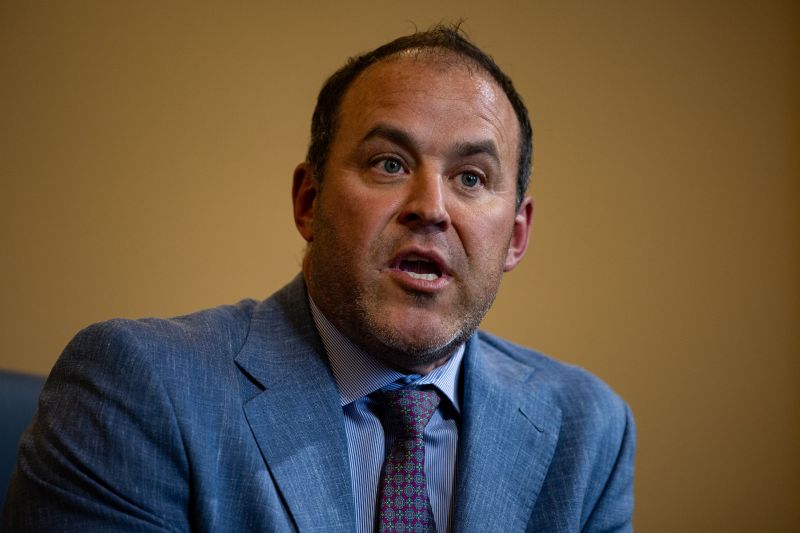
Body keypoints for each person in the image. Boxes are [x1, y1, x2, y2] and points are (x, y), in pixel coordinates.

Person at [3, 25, 635, 532]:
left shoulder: (588, 431)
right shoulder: (138, 387)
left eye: (471, 177)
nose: (432, 207)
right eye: (389, 164)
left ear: (516, 236)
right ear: (309, 202)